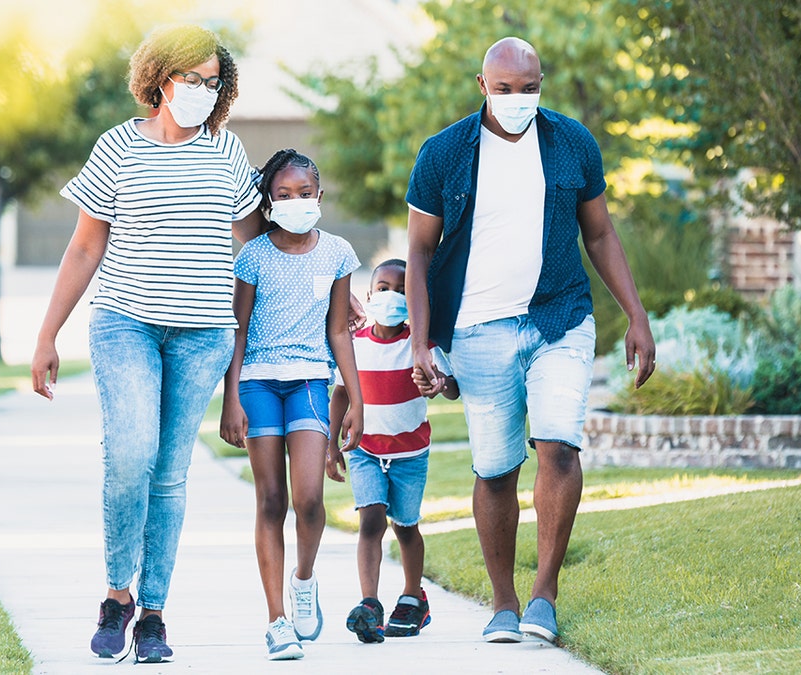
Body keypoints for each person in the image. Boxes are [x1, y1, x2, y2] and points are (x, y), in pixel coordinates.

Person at [404, 37, 657, 645]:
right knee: (495, 470)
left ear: (541, 83)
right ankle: (503, 602)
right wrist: (421, 342)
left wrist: (637, 315)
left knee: (559, 447)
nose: (519, 99)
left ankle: (544, 593)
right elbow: (418, 250)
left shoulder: (573, 143)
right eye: (505, 89)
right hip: (477, 327)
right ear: (482, 84)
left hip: (559, 318)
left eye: (530, 88)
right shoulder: (442, 154)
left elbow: (598, 234)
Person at [29, 25, 264, 663]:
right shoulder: (119, 148)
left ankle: (153, 613)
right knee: (130, 455)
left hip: (204, 334)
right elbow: (84, 245)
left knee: (170, 474)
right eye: (191, 78)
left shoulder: (225, 152)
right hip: (125, 323)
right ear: (160, 79)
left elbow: (258, 244)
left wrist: (327, 279)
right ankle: (115, 595)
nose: (201, 91)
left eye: (212, 81)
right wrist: (48, 333)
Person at [219, 148, 364, 661]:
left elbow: (339, 332)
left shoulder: (339, 254)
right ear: (269, 202)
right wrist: (229, 399)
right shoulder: (252, 257)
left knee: (309, 498)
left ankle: (304, 580)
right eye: (283, 195)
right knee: (271, 501)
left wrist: (356, 399)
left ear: (320, 196)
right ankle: (277, 620)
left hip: (308, 381)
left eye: (305, 194)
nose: (296, 202)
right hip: (258, 383)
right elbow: (236, 332)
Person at [325, 258, 459, 644]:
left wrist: (438, 383)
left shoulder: (422, 345)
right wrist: (331, 447)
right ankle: (369, 604)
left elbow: (452, 387)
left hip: (410, 452)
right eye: (383, 288)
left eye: (402, 290)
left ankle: (412, 597)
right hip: (365, 450)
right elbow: (340, 395)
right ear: (369, 296)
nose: (391, 296)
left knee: (405, 526)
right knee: (371, 522)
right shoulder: (354, 344)